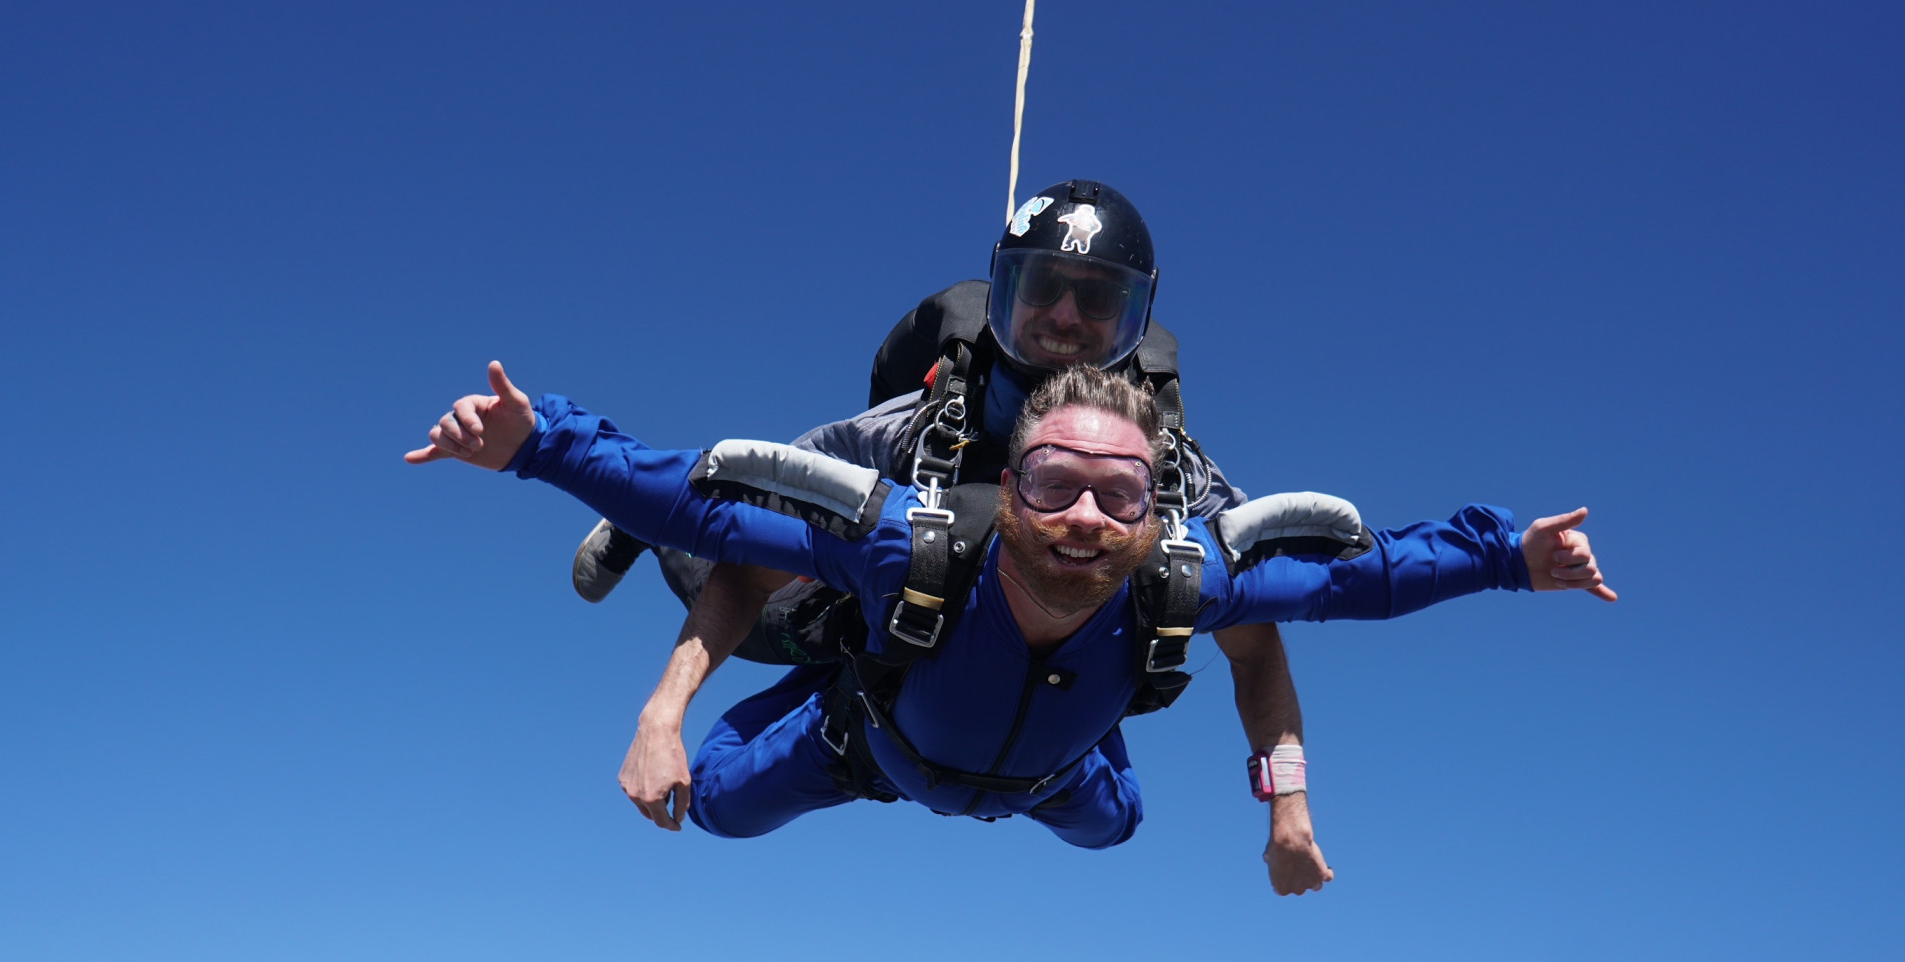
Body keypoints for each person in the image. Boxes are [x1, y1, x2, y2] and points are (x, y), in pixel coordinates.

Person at [405, 362, 1615, 865]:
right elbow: (707, 503)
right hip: (871, 748)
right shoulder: (911, 547)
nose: (1084, 517)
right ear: (1008, 485)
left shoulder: (1187, 578)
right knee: (709, 807)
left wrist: (1511, 558)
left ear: (1158, 510)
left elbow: (1370, 575)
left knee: (1122, 823)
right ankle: (836, 676)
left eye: (1119, 492)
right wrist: (537, 446)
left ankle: (1067, 714)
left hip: (1058, 778)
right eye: (1050, 483)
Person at [572, 180, 1343, 895]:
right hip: (874, 684)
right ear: (1004, 291)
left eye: (1098, 298)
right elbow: (747, 544)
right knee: (740, 676)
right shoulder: (908, 433)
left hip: (1047, 742)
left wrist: (1288, 803)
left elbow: (1257, 638)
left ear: (1134, 320)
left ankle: (1059, 720)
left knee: (1118, 824)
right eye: (1042, 288)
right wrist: (662, 714)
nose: (1066, 318)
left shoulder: (1172, 483)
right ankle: (645, 521)